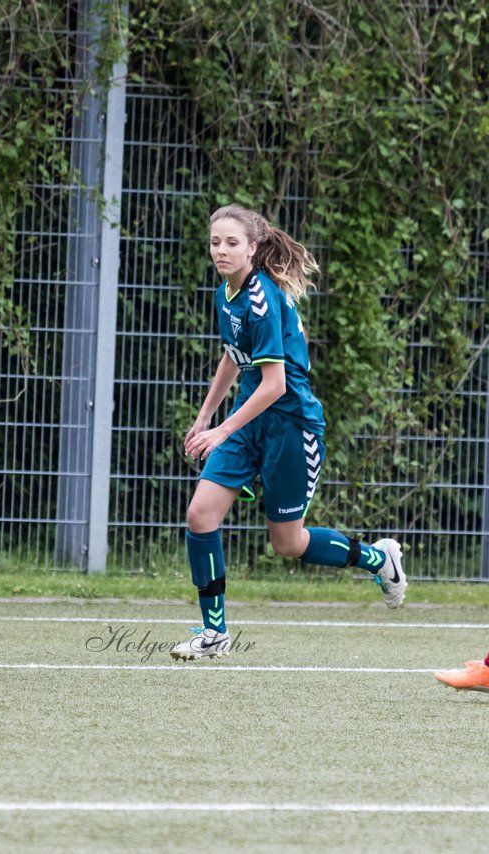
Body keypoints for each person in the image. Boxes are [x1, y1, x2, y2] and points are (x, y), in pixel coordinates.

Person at [171, 204, 407, 661]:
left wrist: (219, 431)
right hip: (248, 420)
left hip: (291, 426)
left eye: (232, 243)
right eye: (216, 242)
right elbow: (231, 357)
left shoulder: (262, 297)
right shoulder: (226, 292)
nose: (221, 250)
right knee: (201, 516)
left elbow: (275, 385)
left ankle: (381, 560)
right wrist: (205, 416)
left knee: (289, 543)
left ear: (253, 248)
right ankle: (214, 632)